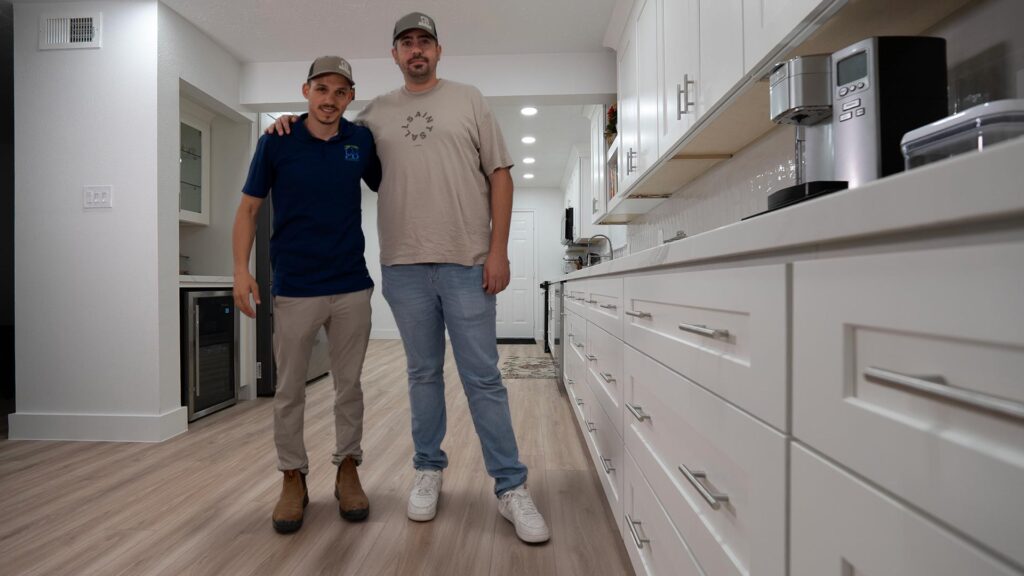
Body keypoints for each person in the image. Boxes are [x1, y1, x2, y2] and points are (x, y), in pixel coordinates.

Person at [270, 11, 550, 544]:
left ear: (438, 52)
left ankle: (511, 486)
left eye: (425, 41)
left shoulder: (469, 99)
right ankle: (429, 469)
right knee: (422, 374)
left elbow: (501, 175)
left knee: (483, 378)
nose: (416, 50)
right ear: (394, 56)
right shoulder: (373, 116)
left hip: (468, 262)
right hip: (403, 266)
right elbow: (323, 130)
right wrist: (283, 123)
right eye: (406, 43)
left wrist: (499, 251)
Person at [234, 55, 381, 534]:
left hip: (351, 285)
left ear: (350, 98)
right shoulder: (276, 141)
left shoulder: (361, 141)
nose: (330, 99)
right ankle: (292, 476)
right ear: (306, 90)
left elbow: (398, 182)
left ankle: (348, 468)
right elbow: (249, 209)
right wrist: (240, 269)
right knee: (289, 390)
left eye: (341, 92)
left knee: (349, 386)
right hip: (296, 287)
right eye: (322, 89)